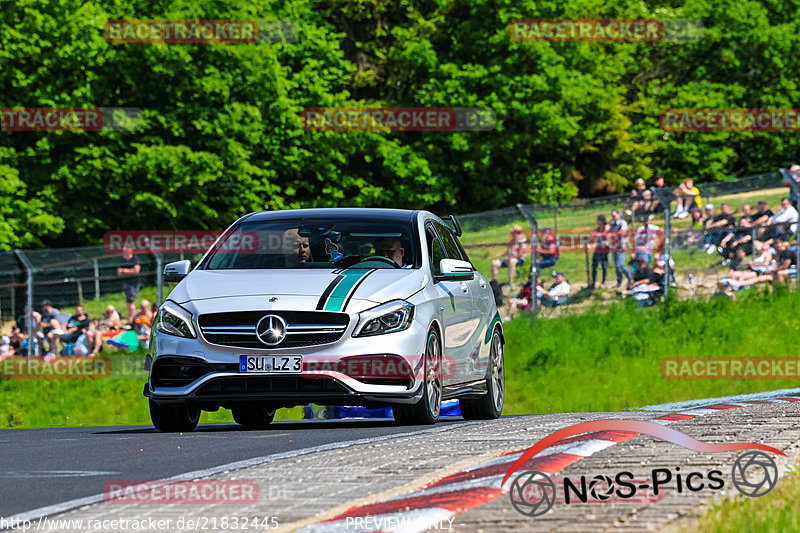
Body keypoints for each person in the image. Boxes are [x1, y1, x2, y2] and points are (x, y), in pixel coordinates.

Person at [117, 246, 141, 325]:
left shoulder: (135, 259)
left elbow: (136, 270)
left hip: (133, 284)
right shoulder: (123, 261)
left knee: (131, 302)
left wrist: (125, 271)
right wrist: (129, 271)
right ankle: (131, 317)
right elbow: (119, 272)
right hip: (126, 283)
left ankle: (131, 319)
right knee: (128, 302)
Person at [609, 210, 630, 288]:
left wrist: (613, 234)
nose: (613, 217)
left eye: (615, 215)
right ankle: (619, 282)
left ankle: (630, 277)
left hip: (621, 247)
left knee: (621, 265)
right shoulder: (612, 224)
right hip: (614, 247)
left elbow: (623, 232)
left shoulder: (622, 223)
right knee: (616, 266)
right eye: (612, 215)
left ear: (618, 215)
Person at [589, 215, 610, 289]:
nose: (596, 221)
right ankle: (593, 282)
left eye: (597, 220)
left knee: (604, 267)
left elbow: (606, 235)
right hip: (598, 250)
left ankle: (603, 282)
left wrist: (598, 235)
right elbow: (592, 235)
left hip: (605, 251)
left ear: (601, 221)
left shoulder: (607, 227)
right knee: (594, 266)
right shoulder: (597, 229)